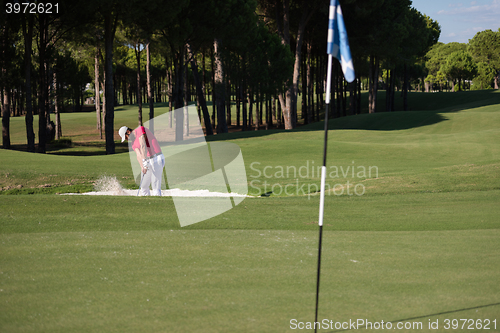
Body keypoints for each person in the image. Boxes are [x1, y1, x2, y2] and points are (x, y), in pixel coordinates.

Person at [118, 125, 165, 196]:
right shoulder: (133, 143)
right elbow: (138, 155)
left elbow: (143, 144)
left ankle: (157, 202)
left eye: (126, 137)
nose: (127, 140)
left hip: (157, 158)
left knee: (155, 185)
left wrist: (144, 160)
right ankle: (146, 203)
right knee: (144, 186)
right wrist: (142, 166)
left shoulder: (140, 129)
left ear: (128, 132)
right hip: (147, 161)